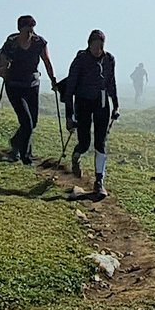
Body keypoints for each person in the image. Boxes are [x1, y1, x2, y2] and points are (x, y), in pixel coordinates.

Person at [61, 29, 120, 198]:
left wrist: (115, 105)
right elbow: (70, 88)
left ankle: (99, 182)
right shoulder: (80, 60)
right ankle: (76, 155)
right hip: (83, 103)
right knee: (85, 142)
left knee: (100, 143)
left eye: (101, 46)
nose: (98, 50)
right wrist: (69, 116)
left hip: (102, 103)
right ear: (89, 44)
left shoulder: (109, 59)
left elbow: (111, 83)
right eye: (96, 46)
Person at [0, 15, 54, 165]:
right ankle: (24, 156)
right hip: (14, 86)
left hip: (32, 85)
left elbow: (46, 61)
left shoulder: (39, 42)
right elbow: (1, 62)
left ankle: (15, 143)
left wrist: (53, 80)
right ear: (20, 29)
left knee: (33, 122)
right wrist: (3, 70)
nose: (30, 34)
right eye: (27, 31)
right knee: (26, 121)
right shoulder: (11, 43)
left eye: (32, 30)